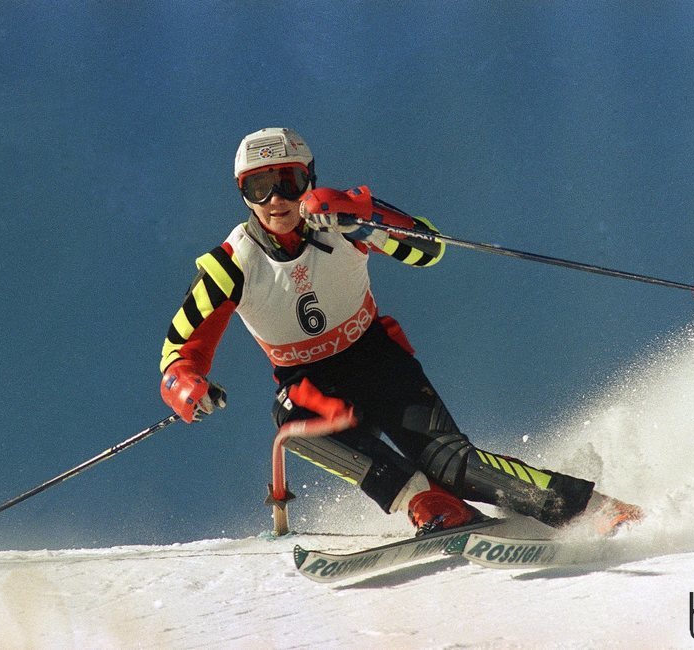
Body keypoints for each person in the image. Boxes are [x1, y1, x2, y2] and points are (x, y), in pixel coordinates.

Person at [159, 127, 641, 536]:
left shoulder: (341, 218)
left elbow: (428, 248)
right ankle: (428, 504)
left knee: (453, 464)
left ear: (309, 178)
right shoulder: (232, 263)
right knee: (292, 425)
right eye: (258, 187)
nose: (276, 200)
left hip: (378, 360)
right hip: (309, 384)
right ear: (242, 194)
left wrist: (363, 220)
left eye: (288, 181)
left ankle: (594, 511)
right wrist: (186, 386)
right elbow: (181, 347)